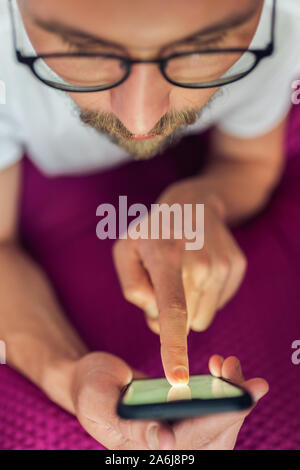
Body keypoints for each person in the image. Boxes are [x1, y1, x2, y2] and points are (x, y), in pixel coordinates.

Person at [0, 0, 299, 449]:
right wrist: (67, 374)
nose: (141, 119)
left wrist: (205, 200)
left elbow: (247, 161)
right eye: (82, 51)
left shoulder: (278, 23)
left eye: (203, 47)